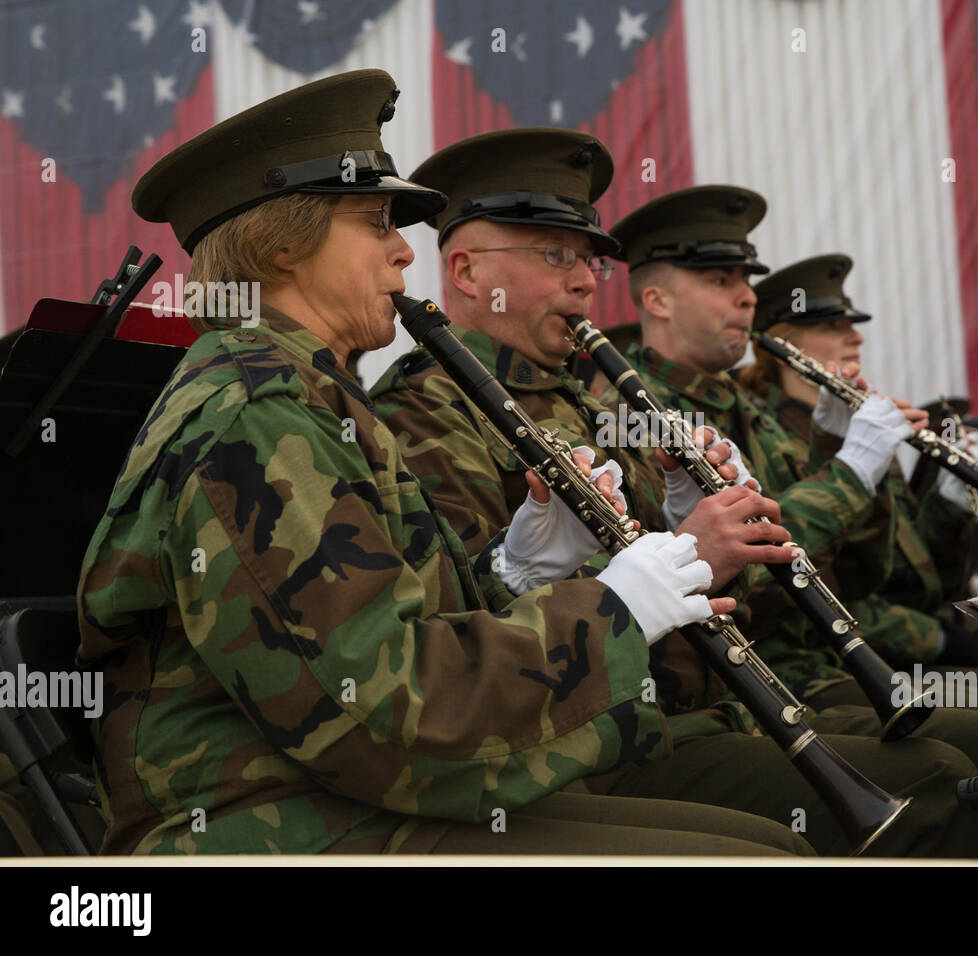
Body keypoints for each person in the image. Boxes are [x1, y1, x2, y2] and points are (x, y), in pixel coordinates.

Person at [75, 71, 817, 858]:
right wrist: (611, 610)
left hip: (347, 799)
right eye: (376, 223)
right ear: (282, 244)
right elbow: (386, 710)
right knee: (752, 861)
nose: (404, 253)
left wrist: (522, 572)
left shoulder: (308, 398)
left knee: (762, 845)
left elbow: (397, 639)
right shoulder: (257, 416)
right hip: (269, 825)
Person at [370, 136, 978, 857]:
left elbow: (835, 577)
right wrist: (688, 552)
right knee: (945, 783)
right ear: (463, 270)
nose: (585, 281)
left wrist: (693, 525)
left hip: (705, 707)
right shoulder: (425, 412)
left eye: (588, 259)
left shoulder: (588, 404)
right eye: (556, 255)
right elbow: (470, 635)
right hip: (596, 744)